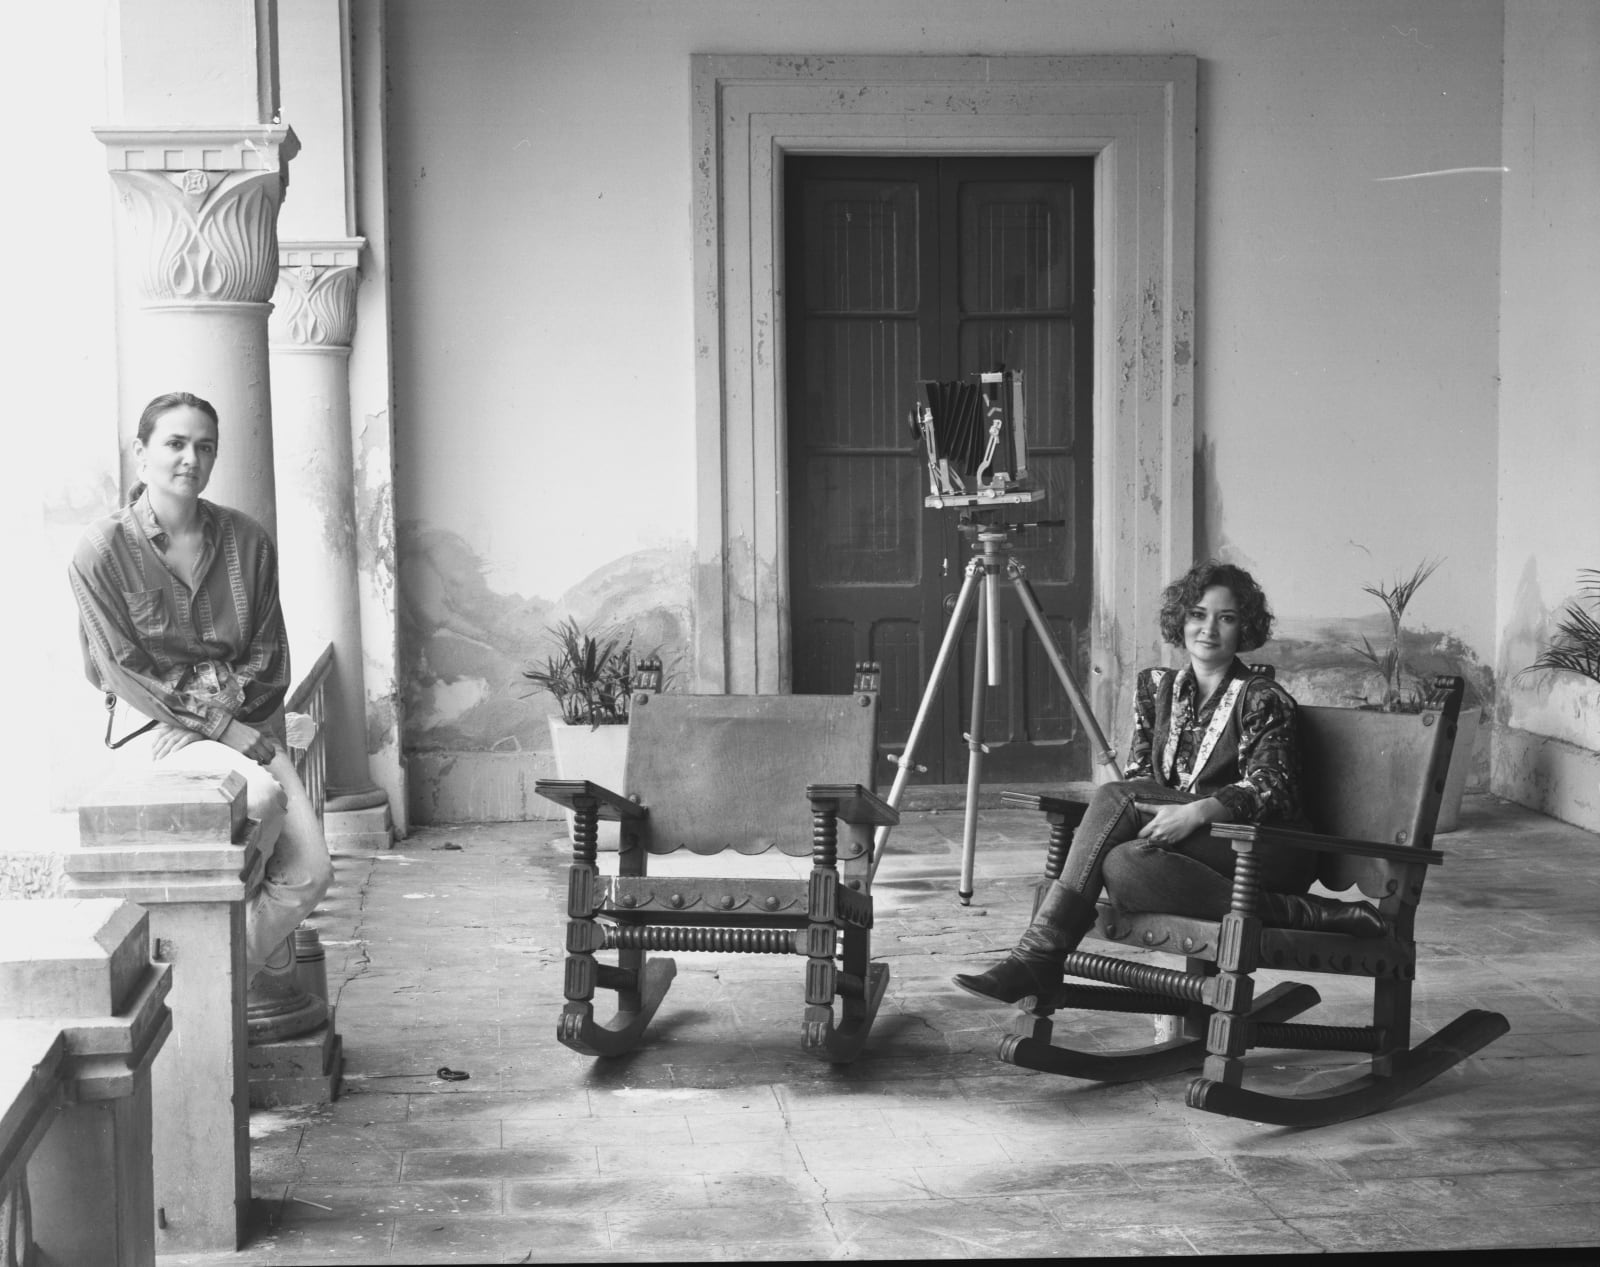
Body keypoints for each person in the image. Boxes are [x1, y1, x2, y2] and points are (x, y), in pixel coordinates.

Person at [954, 559, 1384, 1006]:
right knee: (1123, 865)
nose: (1208, 629)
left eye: (1226, 617)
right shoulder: (1156, 688)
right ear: (1181, 619)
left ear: (1244, 627)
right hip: (1189, 851)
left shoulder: (1263, 697)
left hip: (1264, 848)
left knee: (1115, 798)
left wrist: (1196, 812)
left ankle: (1037, 957)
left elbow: (1271, 785)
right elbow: (1142, 777)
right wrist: (1162, 815)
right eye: (1198, 614)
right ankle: (1309, 914)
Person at [69, 391, 333, 985]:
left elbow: (269, 656)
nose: (191, 458)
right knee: (259, 798)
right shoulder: (101, 550)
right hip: (154, 727)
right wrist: (212, 725)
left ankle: (219, 971)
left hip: (244, 718)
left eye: (205, 446)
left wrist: (218, 719)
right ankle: (217, 983)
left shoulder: (248, 541)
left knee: (311, 874)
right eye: (175, 443)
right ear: (141, 453)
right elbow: (122, 667)